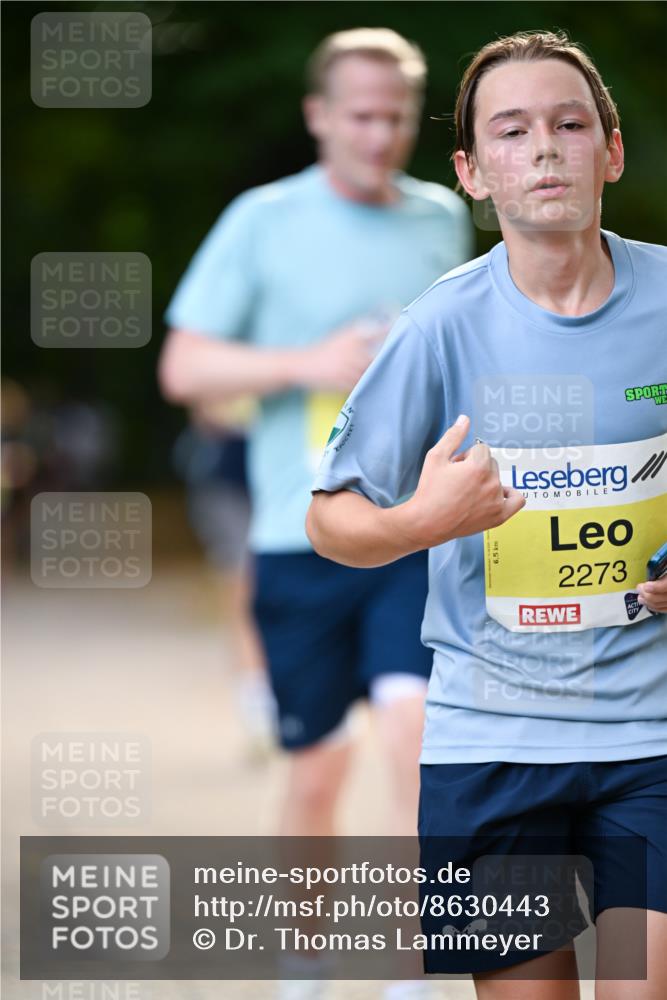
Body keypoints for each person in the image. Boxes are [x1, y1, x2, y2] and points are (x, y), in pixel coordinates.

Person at [307, 29, 667, 1000]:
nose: (544, 148)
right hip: (494, 741)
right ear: (470, 172)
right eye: (510, 131)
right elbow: (330, 518)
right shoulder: (438, 327)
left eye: (569, 123)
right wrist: (422, 520)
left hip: (653, 734)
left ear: (612, 149)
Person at [159, 31, 472, 839]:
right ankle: (304, 957)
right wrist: (310, 362)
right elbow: (183, 368)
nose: (381, 136)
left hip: (411, 534)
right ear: (318, 117)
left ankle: (411, 962)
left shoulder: (440, 218)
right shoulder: (262, 220)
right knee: (318, 773)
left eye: (398, 117)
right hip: (295, 534)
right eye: (362, 116)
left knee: (415, 737)